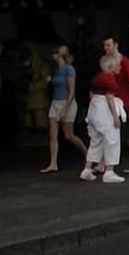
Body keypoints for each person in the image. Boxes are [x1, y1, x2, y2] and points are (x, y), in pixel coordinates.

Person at [40, 45, 87, 173]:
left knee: (68, 135)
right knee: (53, 134)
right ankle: (53, 163)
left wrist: (66, 109)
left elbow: (71, 91)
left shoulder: (69, 69)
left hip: (67, 102)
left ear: (61, 55)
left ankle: (88, 154)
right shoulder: (56, 69)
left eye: (55, 52)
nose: (53, 55)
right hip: (55, 101)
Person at [79, 54, 126, 183]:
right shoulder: (110, 79)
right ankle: (109, 171)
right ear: (110, 67)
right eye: (118, 65)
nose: (120, 67)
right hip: (104, 110)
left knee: (96, 141)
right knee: (112, 139)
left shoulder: (97, 78)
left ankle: (87, 169)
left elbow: (91, 94)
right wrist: (115, 117)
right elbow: (110, 98)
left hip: (94, 109)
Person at [102, 35, 129, 173]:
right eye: (104, 45)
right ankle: (105, 162)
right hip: (114, 101)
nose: (106, 48)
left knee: (127, 134)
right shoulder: (109, 62)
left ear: (115, 45)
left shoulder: (124, 62)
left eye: (108, 45)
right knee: (117, 133)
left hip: (124, 102)